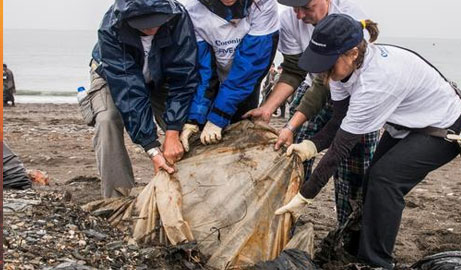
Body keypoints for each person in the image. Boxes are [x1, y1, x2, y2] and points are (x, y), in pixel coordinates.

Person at [275, 14, 461, 269]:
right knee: (370, 181)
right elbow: (339, 120)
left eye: (327, 63)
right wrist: (310, 145)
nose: (324, 71)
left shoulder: (375, 82)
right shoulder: (343, 71)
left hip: (444, 127)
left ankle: (376, 262)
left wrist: (304, 196)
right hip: (408, 123)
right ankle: (359, 248)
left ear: (353, 53)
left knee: (386, 180)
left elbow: (341, 149)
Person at [243, 0, 379, 227]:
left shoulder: (349, 16)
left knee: (353, 169)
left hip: (354, 89)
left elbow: (332, 79)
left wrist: (293, 125)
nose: (298, 15)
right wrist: (270, 111)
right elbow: (295, 70)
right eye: (294, 8)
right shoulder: (288, 19)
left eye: (305, 7)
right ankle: (282, 223)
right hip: (313, 85)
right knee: (290, 148)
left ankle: (347, 233)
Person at [82, 0, 199, 198]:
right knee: (107, 119)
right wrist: (152, 149)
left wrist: (172, 132)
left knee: (187, 129)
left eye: (156, 21)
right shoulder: (111, 27)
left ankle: (189, 190)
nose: (152, 27)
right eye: (143, 23)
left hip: (161, 78)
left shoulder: (177, 16)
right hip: (113, 77)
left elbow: (183, 75)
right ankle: (117, 197)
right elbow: (129, 90)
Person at [178, 0, 279, 148]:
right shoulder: (192, 10)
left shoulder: (263, 3)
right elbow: (203, 70)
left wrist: (219, 116)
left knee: (241, 138)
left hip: (246, 85)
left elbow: (251, 64)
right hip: (216, 79)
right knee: (203, 138)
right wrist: (195, 118)